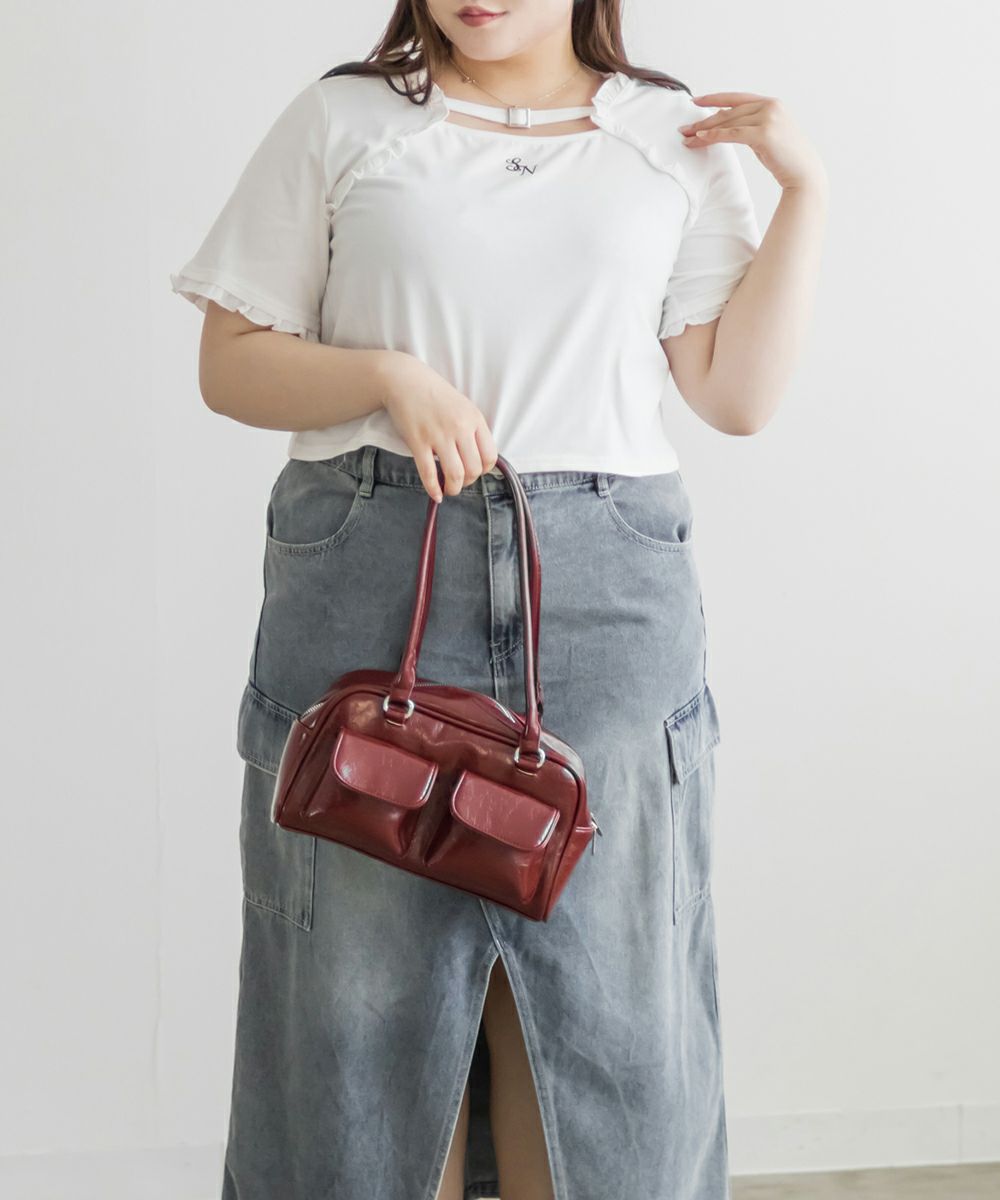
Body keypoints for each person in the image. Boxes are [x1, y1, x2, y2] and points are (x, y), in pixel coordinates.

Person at [169, 2, 828, 1198]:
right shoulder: (347, 118)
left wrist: (805, 196)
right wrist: (386, 378)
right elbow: (231, 361)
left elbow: (733, 396)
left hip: (604, 590)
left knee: (602, 1008)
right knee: (355, 1007)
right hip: (371, 567)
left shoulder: (664, 136)